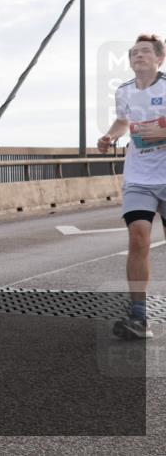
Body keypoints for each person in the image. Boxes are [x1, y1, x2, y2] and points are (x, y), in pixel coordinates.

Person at [98, 33, 166, 340]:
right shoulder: (124, 91)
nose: (138, 56)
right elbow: (123, 121)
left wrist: (156, 130)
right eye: (134, 53)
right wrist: (110, 136)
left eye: (144, 52)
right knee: (138, 238)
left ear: (159, 58)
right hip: (139, 177)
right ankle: (139, 318)